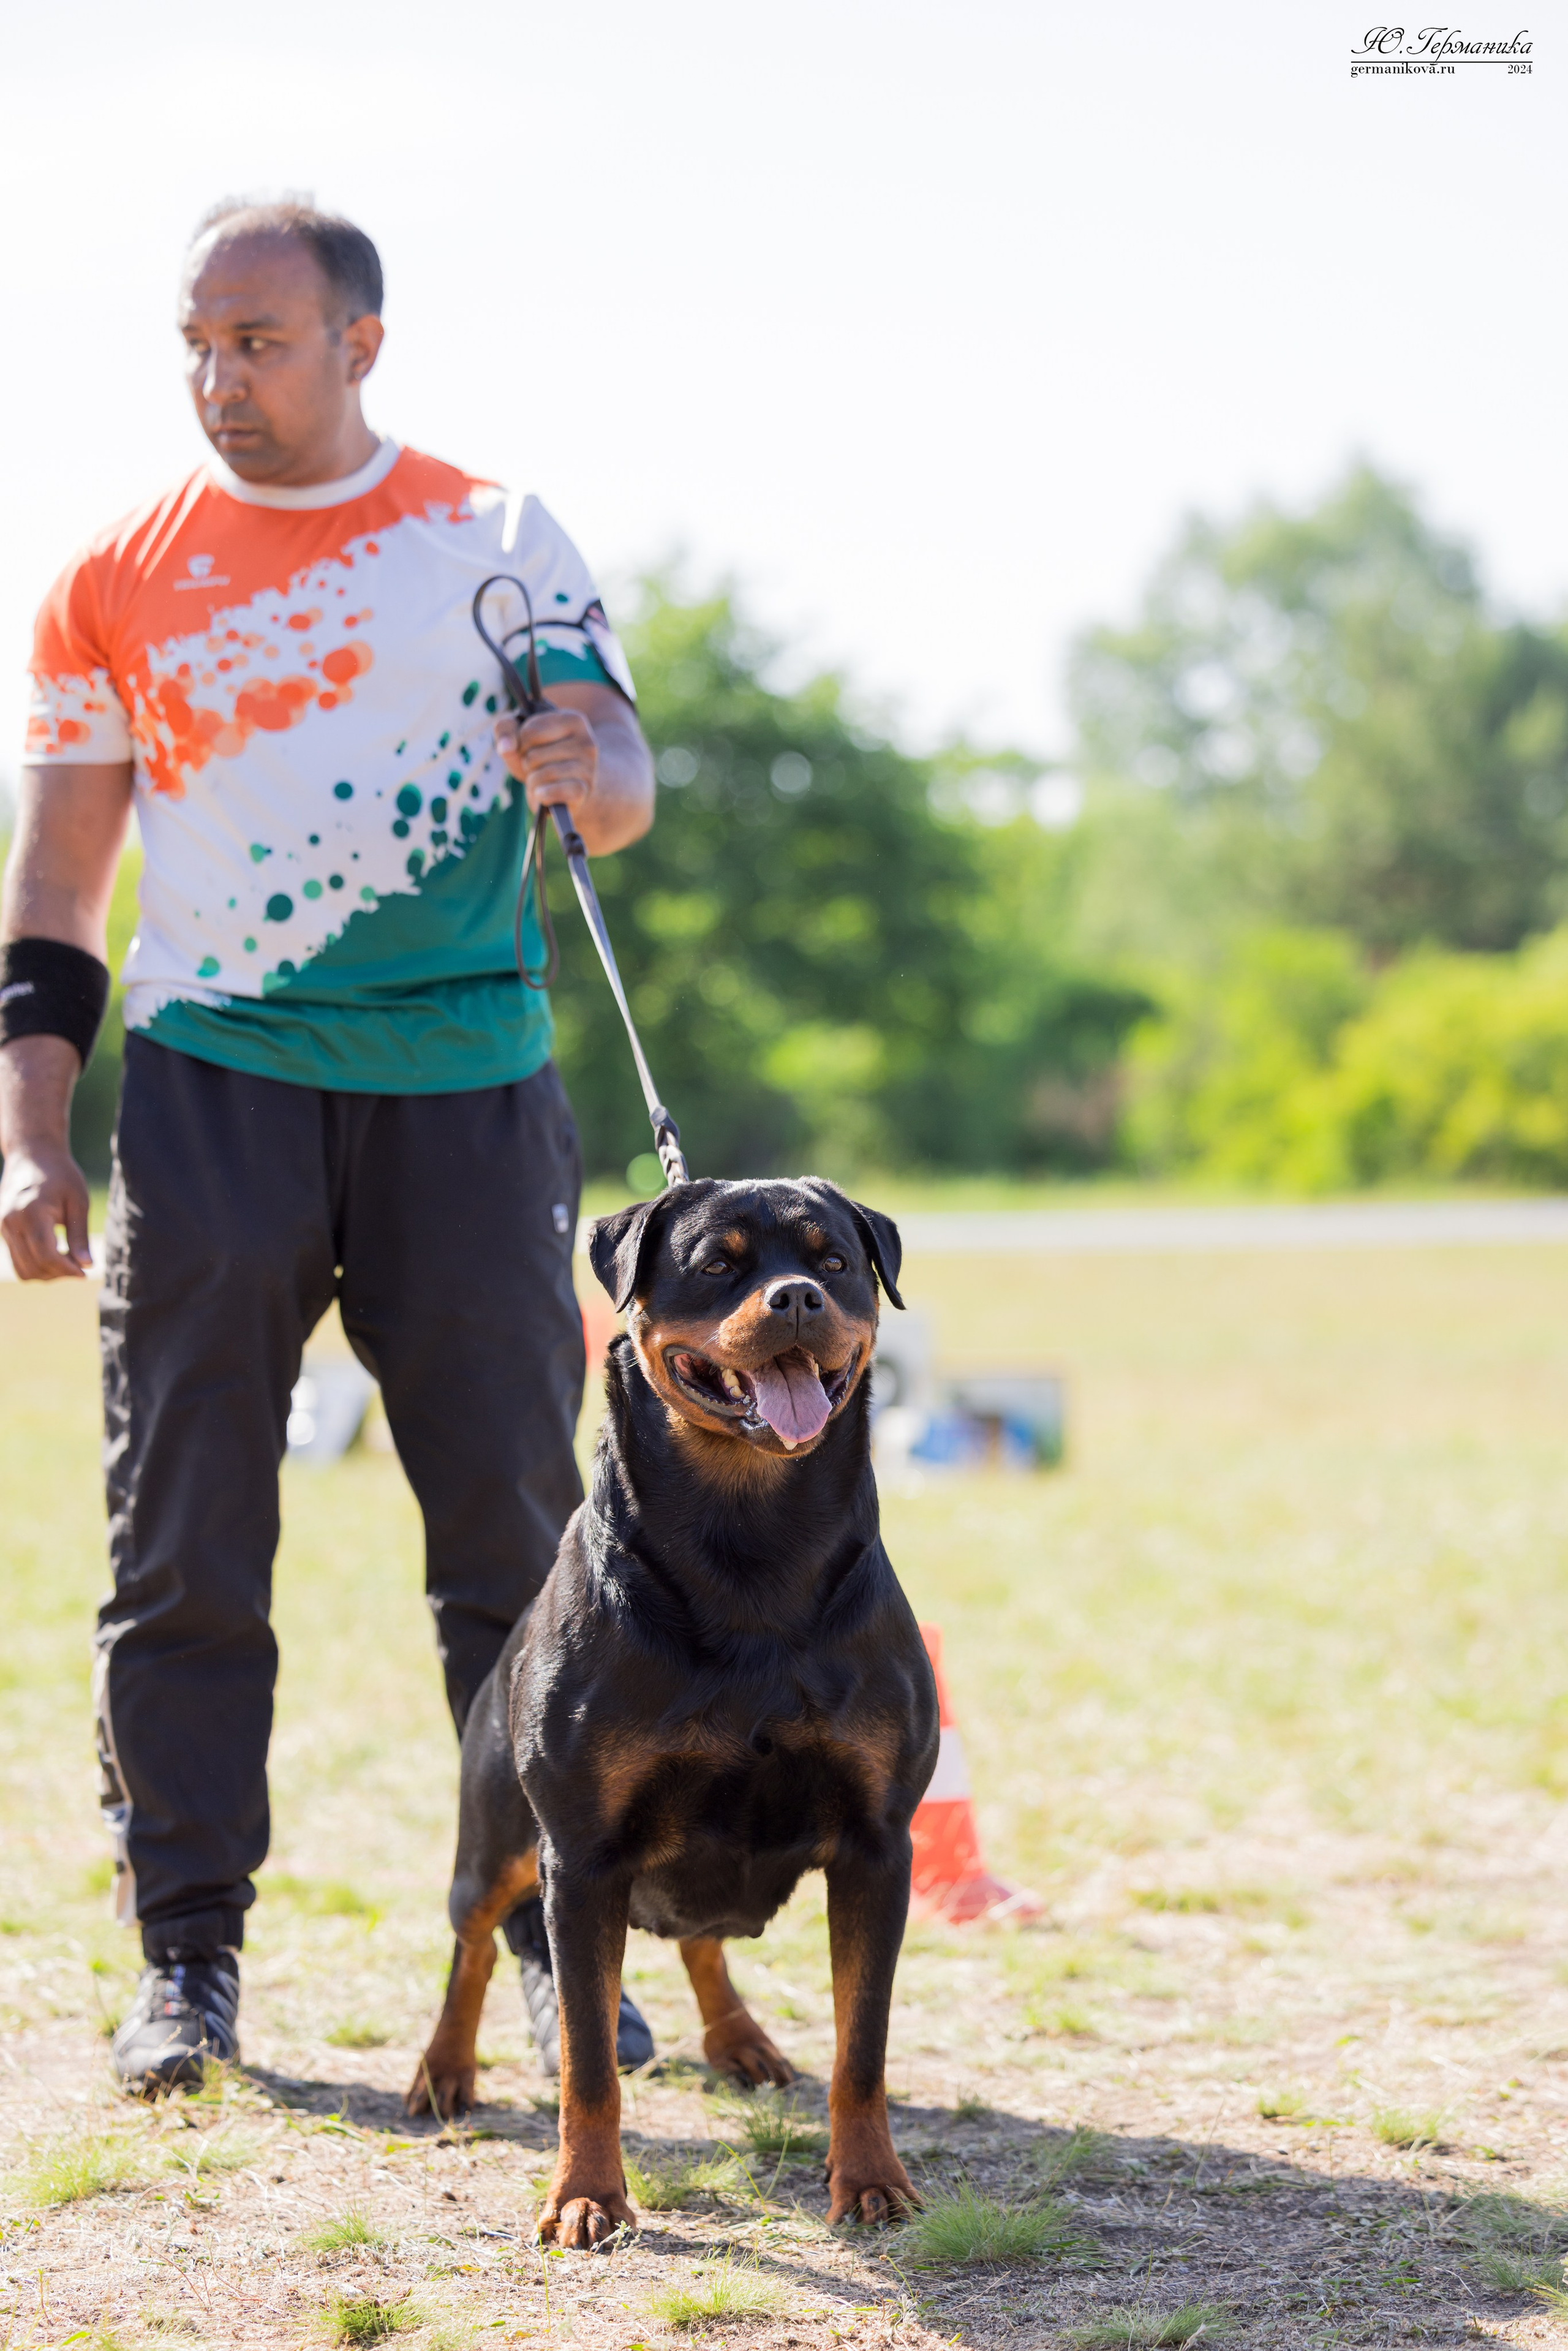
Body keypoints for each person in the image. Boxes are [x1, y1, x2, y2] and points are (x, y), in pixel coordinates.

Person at [0, 200, 658, 2092]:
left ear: (362, 343)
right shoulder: (113, 578)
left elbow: (617, 783)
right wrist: (35, 1137)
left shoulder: (497, 539)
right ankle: (185, 1964)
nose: (223, 381)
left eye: (262, 342)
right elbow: (53, 886)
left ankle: (556, 1950)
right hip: (215, 1092)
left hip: (469, 1089)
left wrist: (588, 773)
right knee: (185, 1545)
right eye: (197, 343)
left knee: (523, 1556)